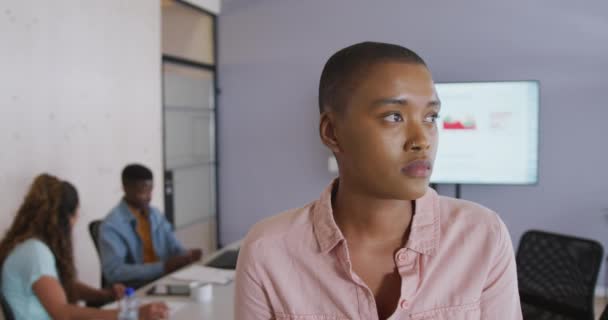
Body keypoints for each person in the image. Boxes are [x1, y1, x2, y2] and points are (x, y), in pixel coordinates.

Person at [234, 42, 522, 319]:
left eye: (431, 117)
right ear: (332, 132)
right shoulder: (268, 250)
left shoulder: (482, 236)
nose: (422, 140)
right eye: (394, 116)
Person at [0, 174, 168, 320]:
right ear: (64, 219)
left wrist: (105, 294)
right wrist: (130, 315)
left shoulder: (28, 246)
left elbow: (62, 286)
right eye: (75, 217)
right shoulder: (35, 252)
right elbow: (63, 314)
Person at [99, 164, 202, 288]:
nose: (149, 197)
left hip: (163, 281)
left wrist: (186, 256)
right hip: (136, 290)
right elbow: (114, 272)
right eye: (143, 191)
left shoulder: (155, 215)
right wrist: (163, 267)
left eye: (151, 190)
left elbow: (173, 246)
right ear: (126, 188)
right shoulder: (112, 225)